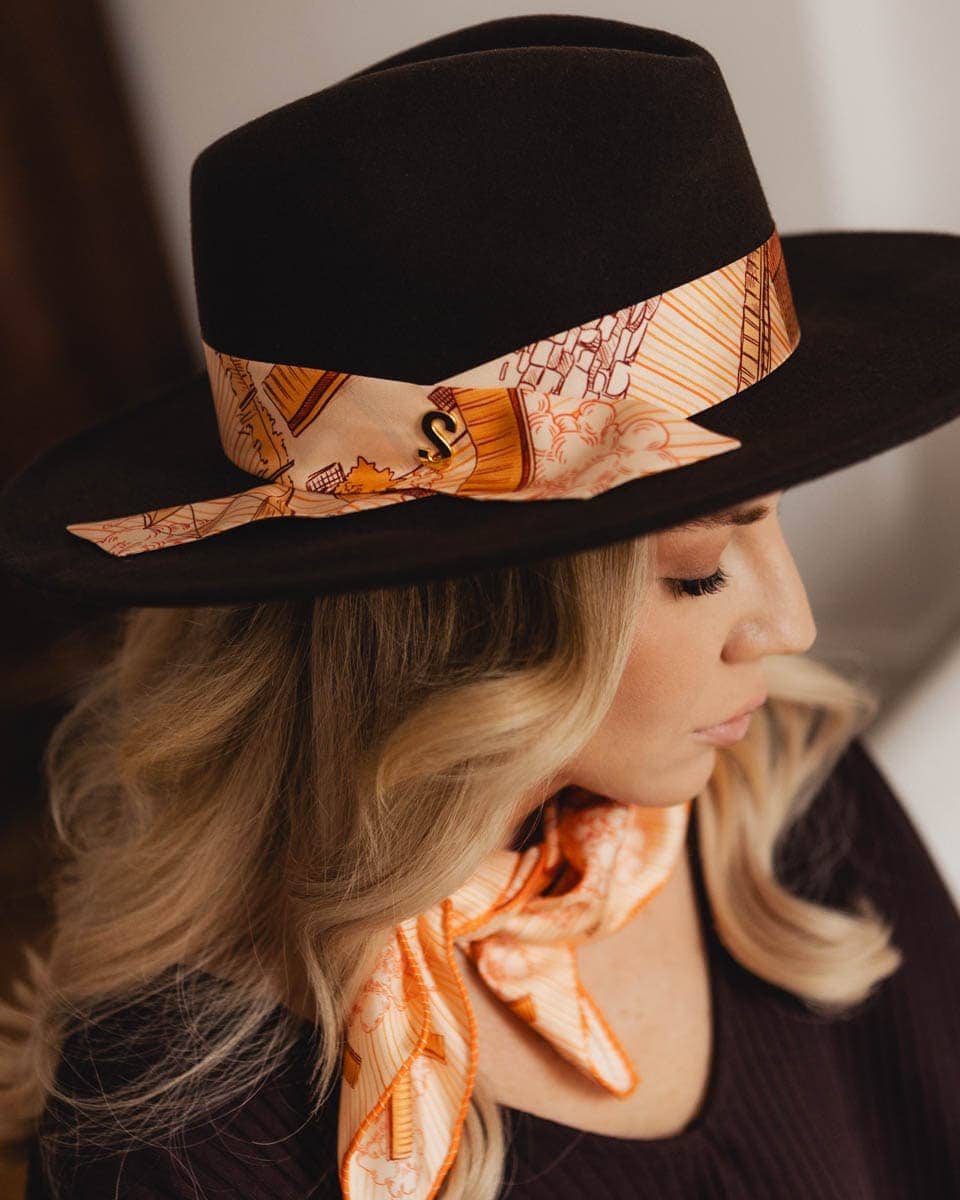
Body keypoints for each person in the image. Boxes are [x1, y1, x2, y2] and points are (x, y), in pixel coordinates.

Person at [0, 13, 958, 1200]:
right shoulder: (184, 1136)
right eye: (698, 565)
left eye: (772, 519)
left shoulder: (785, 806)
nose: (790, 627)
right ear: (464, 628)